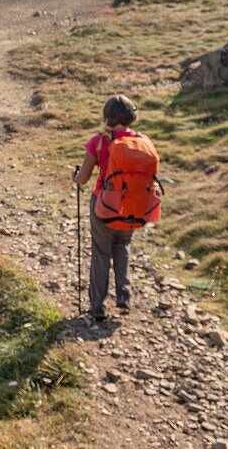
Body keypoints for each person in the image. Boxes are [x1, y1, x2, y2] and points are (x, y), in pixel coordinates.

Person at [72, 94, 146, 323]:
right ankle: (124, 294)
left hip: (104, 204)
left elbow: (83, 179)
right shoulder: (140, 141)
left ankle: (98, 307)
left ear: (107, 117)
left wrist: (75, 177)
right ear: (131, 117)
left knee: (101, 252)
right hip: (133, 205)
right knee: (122, 245)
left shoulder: (100, 141)